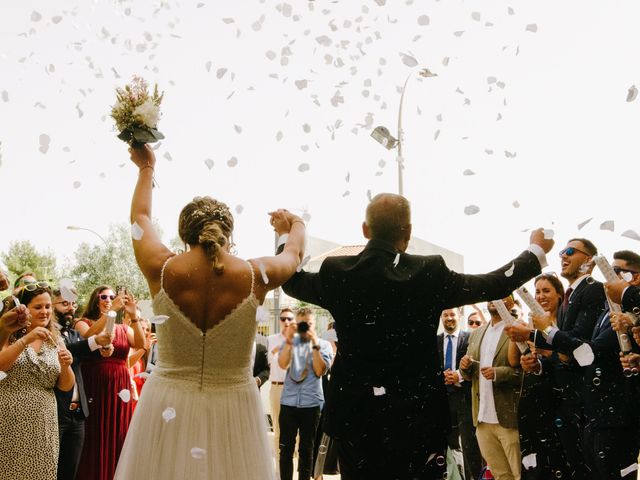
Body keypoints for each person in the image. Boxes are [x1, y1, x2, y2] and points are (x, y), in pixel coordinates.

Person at [279, 193, 553, 479]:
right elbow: (494, 284)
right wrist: (535, 250)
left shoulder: (338, 272)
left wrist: (288, 233)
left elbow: (291, 280)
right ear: (408, 232)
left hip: (356, 416)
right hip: (417, 417)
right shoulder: (428, 272)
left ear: (365, 230)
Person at [114, 144, 305, 479]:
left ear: (184, 232)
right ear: (228, 233)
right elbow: (294, 256)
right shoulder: (253, 275)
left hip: (166, 404)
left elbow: (140, 219)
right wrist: (294, 224)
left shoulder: (161, 268)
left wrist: (146, 168)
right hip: (234, 407)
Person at [506, 238, 606, 478]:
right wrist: (538, 364)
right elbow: (562, 349)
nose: (563, 255)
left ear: (589, 260)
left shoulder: (592, 289)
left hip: (578, 400)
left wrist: (534, 335)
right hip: (560, 400)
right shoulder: (570, 298)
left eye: (571, 251)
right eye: (562, 251)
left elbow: (576, 344)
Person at [0, 283, 75, 480]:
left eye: (48, 306)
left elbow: (65, 386)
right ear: (24, 309)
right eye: (38, 307)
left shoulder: (56, 339)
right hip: (10, 419)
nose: (45, 312)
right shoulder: (8, 334)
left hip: (43, 423)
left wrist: (66, 366)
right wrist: (25, 340)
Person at [75, 285, 145, 480]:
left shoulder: (123, 328)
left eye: (112, 297)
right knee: (95, 437)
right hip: (94, 387)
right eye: (104, 296)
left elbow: (141, 344)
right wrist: (111, 311)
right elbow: (87, 335)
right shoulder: (83, 322)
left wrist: (134, 316)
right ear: (95, 299)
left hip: (120, 389)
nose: (108, 299)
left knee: (119, 435)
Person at [507, 273, 570, 479]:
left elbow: (565, 355)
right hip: (534, 398)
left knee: (559, 459)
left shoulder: (565, 323)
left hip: (560, 399)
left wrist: (543, 353)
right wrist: (518, 333)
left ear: (559, 295)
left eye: (546, 291)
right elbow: (515, 360)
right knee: (535, 464)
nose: (541, 296)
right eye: (537, 292)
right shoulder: (530, 323)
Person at [460, 297, 523, 480]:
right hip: (482, 419)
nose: (494, 298)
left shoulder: (516, 330)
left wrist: (498, 373)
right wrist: (465, 368)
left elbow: (526, 373)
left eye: (502, 295)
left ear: (510, 304)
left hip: (508, 419)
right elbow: (469, 376)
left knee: (519, 474)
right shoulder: (476, 333)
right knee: (500, 475)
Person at [52, 288, 112, 480]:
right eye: (64, 303)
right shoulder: (47, 335)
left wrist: (105, 348)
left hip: (78, 413)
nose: (70, 308)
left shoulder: (74, 333)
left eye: (73, 304)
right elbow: (68, 350)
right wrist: (95, 342)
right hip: (56, 412)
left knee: (70, 472)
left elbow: (82, 350)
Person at [278, 307, 333, 480]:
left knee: (306, 449)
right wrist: (288, 340)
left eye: (308, 324)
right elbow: (282, 364)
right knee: (286, 448)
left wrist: (314, 344)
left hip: (311, 403)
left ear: (314, 324)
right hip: (289, 401)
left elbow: (320, 371)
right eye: (302, 324)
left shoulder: (323, 344)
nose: (305, 328)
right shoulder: (290, 342)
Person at [438, 307, 482, 480]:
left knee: (470, 445)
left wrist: (458, 375)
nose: (449, 318)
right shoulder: (436, 340)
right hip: (443, 400)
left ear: (459, 316)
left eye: (452, 314)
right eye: (445, 315)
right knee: (449, 446)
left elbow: (475, 363)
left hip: (464, 397)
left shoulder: (469, 337)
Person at [267, 307, 297, 467]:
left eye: (290, 319)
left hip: (296, 388)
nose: (286, 321)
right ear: (279, 321)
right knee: (278, 429)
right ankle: (280, 469)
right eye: (283, 318)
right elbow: (270, 362)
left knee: (297, 432)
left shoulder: (300, 339)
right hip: (277, 387)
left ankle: (298, 468)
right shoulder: (271, 339)